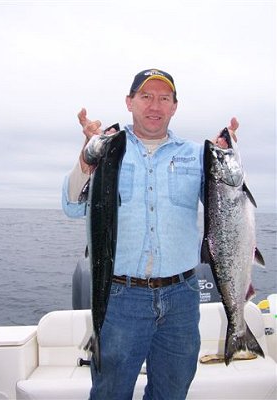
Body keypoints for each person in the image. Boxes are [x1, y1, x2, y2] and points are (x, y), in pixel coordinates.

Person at [62, 68, 239, 400]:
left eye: (164, 98)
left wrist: (226, 158)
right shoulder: (108, 147)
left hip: (182, 300)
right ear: (130, 102)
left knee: (171, 393)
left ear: (174, 106)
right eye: (146, 96)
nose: (155, 105)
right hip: (120, 298)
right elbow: (73, 206)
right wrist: (87, 159)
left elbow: (226, 207)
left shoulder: (194, 154)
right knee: (110, 393)